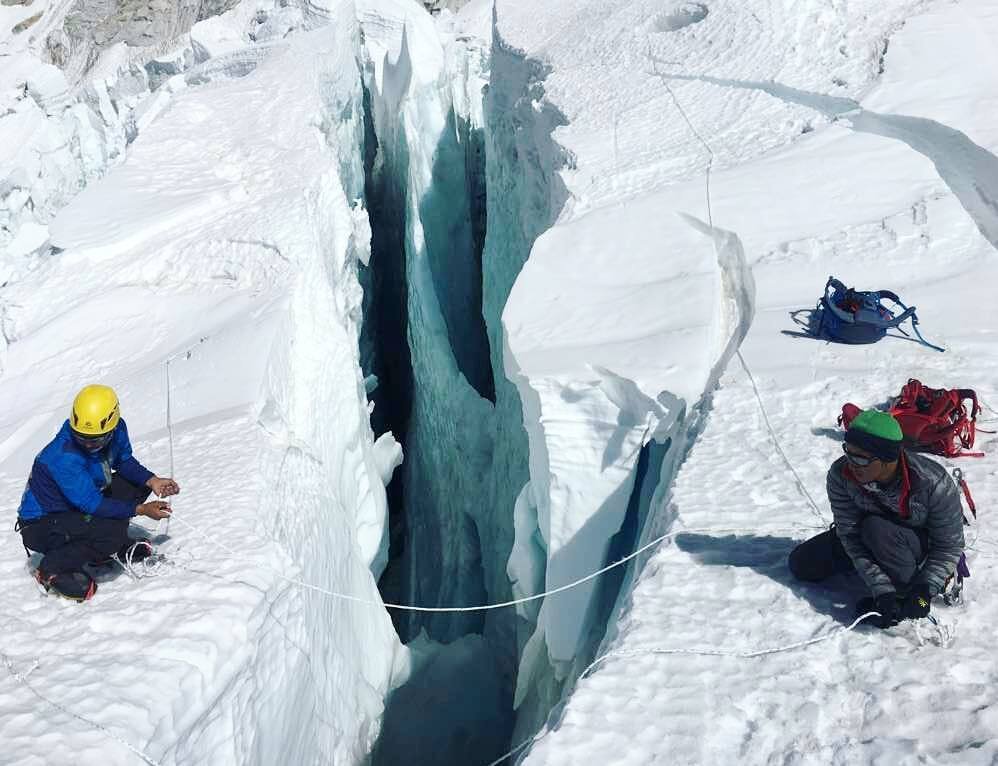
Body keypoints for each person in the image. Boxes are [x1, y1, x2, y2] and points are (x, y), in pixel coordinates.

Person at [788, 409, 964, 628]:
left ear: (888, 458)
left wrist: (925, 587)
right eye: (848, 452)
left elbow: (949, 546)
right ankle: (887, 579)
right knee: (802, 563)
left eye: (860, 458)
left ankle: (904, 591)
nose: (850, 462)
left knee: (876, 529)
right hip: (868, 533)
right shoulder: (840, 474)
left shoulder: (934, 483)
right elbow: (849, 534)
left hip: (915, 545)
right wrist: (882, 589)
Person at [15, 384, 180, 601]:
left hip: (76, 506)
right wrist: (141, 509)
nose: (89, 444)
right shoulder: (62, 456)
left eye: (98, 439)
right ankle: (52, 568)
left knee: (138, 484)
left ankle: (106, 545)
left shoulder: (118, 428)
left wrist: (153, 480)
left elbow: (124, 461)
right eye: (82, 437)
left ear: (112, 426)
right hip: (41, 523)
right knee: (109, 532)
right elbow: (92, 505)